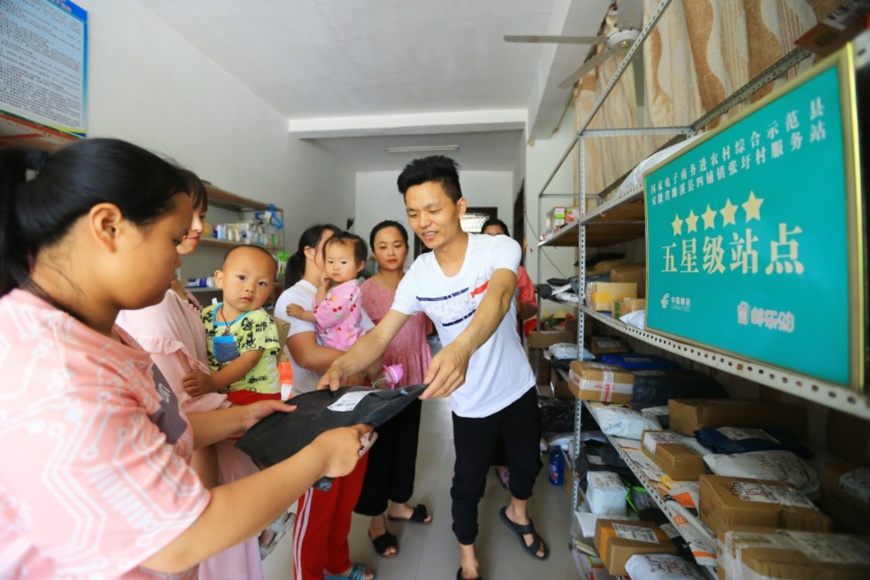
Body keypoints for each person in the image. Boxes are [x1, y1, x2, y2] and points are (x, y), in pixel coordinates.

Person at [0, 138, 370, 579]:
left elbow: (144, 429)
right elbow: (178, 539)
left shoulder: (95, 332)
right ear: (109, 227)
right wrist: (320, 458)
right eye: (173, 239)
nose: (178, 258)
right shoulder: (57, 376)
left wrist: (242, 419)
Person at [319, 156, 548, 580]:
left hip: (516, 388)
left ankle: (518, 512)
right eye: (413, 212)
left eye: (434, 209)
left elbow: (499, 298)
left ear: (460, 207)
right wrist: (342, 364)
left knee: (526, 465)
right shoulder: (419, 276)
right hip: (469, 402)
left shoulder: (498, 248)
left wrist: (459, 349)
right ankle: (468, 559)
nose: (423, 222)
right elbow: (379, 336)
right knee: (467, 485)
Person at [116, 168, 268, 578]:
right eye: (188, 214)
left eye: (201, 214)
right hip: (198, 475)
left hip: (214, 460)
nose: (198, 226)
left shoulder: (175, 289)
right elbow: (183, 421)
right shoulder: (152, 302)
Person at [274, 225, 376, 580]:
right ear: (309, 252)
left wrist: (367, 359)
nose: (336, 257)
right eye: (328, 248)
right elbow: (307, 355)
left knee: (345, 499)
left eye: (342, 251)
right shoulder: (295, 299)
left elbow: (374, 342)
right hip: (316, 414)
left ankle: (338, 564)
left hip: (356, 407)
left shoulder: (348, 292)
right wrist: (360, 359)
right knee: (318, 506)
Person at [355, 220, 433, 559]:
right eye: (383, 245)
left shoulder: (418, 283)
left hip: (412, 374)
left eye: (397, 244)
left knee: (407, 443)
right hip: (381, 380)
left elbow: (427, 326)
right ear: (373, 251)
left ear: (407, 247)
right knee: (379, 450)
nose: (391, 252)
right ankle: (376, 520)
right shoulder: (364, 291)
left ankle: (399, 504)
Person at [480, 217, 539, 492]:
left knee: (506, 411)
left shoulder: (517, 271)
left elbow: (531, 306)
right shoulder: (474, 270)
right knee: (478, 415)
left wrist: (516, 308)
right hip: (477, 354)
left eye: (500, 236)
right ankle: (474, 467)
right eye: (488, 236)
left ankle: (503, 465)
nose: (495, 241)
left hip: (507, 353)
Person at [193, 245, 282, 405]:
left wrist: (212, 383)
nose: (250, 288)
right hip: (221, 389)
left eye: (262, 283)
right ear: (220, 279)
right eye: (242, 277)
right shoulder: (206, 314)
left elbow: (249, 360)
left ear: (270, 292)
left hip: (256, 394)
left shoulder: (259, 319)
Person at [285, 231, 368, 352]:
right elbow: (320, 306)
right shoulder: (338, 288)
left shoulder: (349, 290)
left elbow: (329, 314)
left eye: (343, 262)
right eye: (330, 262)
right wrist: (322, 288)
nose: (335, 267)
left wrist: (302, 314)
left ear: (360, 265)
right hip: (337, 344)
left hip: (346, 345)